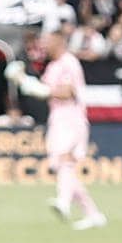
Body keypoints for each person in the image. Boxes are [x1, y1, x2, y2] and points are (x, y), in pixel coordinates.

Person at [9, 28, 106, 230]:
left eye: (48, 41)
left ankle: (63, 202)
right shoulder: (53, 67)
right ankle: (92, 213)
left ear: (59, 42)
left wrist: (36, 87)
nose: (44, 45)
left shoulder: (69, 62)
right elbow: (44, 93)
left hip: (71, 116)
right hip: (57, 118)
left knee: (65, 160)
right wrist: (23, 81)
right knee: (63, 167)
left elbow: (67, 92)